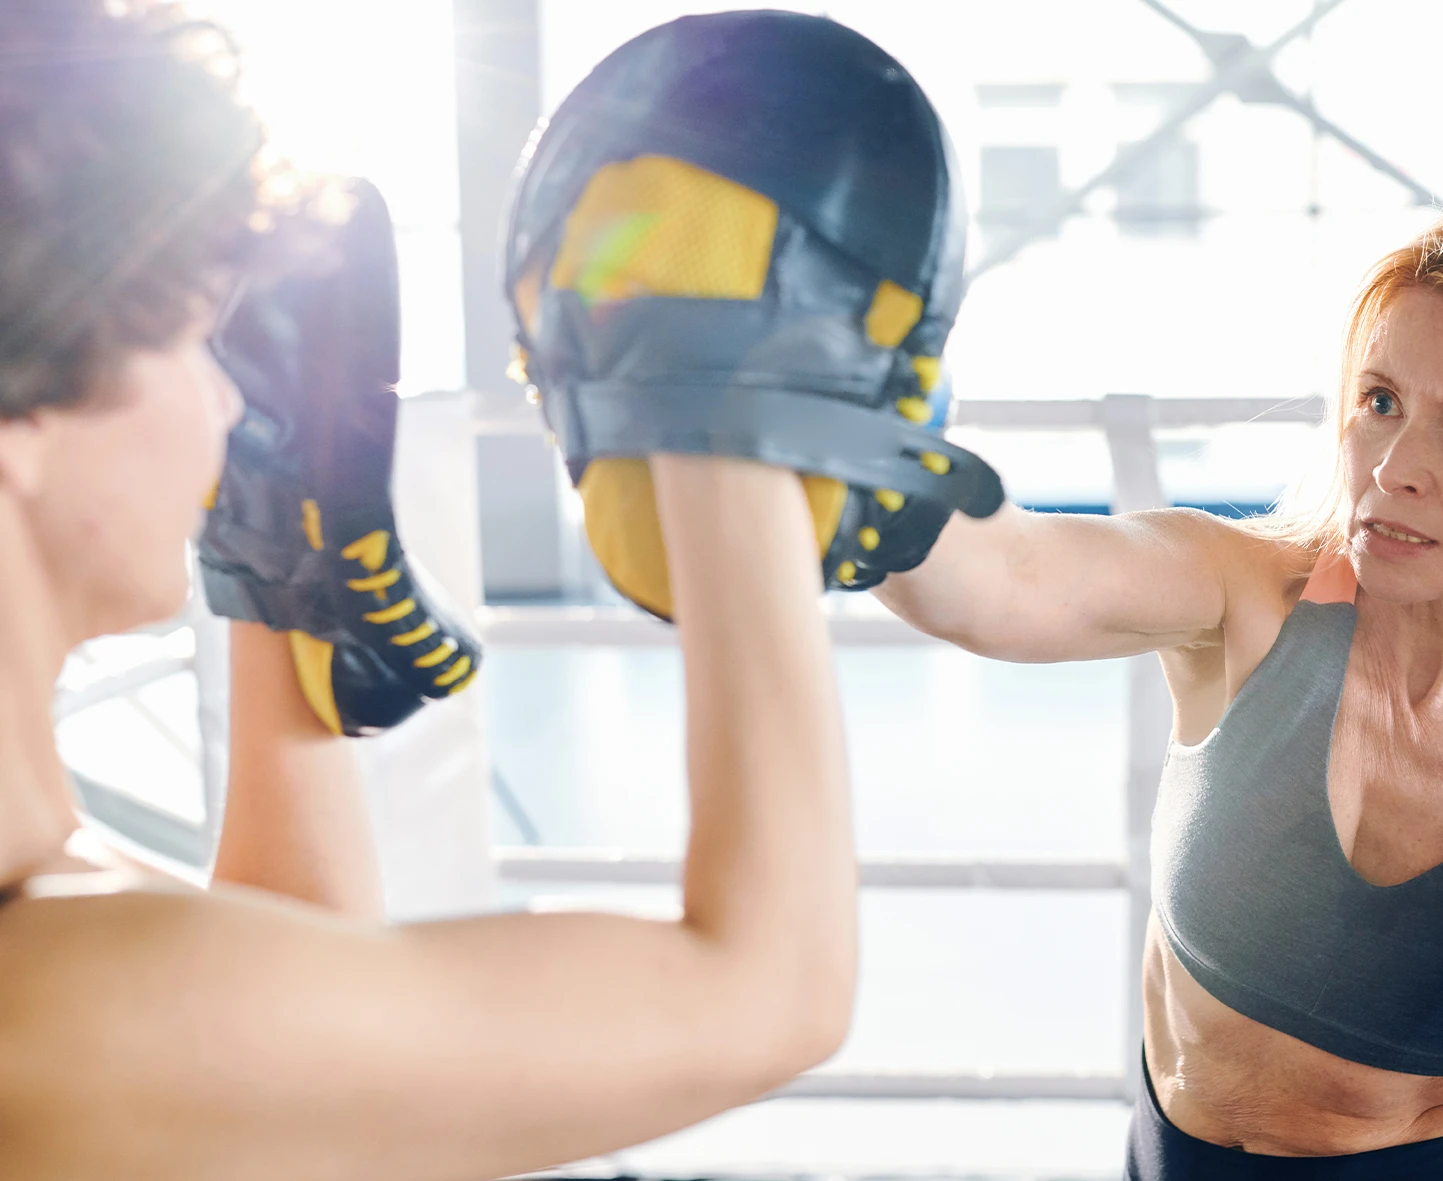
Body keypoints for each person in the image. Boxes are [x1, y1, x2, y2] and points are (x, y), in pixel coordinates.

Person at [0, 3, 872, 1175]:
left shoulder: (62, 924)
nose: (222, 403)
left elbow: (278, 1040)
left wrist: (284, 582)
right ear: (24, 417)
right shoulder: (66, 1007)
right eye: (185, 342)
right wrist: (713, 403)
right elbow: (770, 989)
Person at [875, 206, 1443, 1177]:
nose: (1391, 468)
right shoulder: (1240, 596)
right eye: (1381, 400)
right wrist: (860, 419)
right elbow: (995, 580)